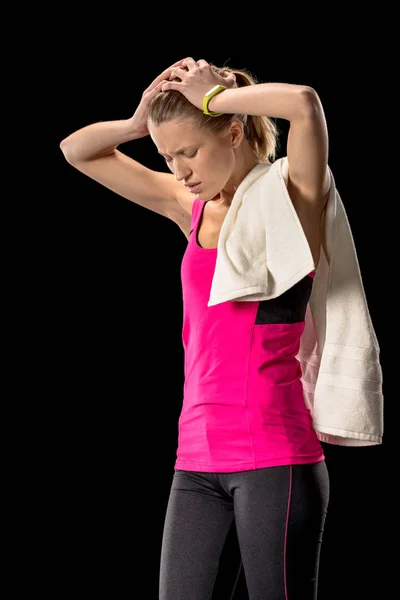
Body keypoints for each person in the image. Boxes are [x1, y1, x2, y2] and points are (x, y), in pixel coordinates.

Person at [60, 57, 334, 600]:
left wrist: (215, 97)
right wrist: (138, 124)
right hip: (197, 458)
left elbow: (303, 103)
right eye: (167, 156)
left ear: (233, 131)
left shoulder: (292, 200)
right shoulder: (188, 206)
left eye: (189, 151)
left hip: (273, 455)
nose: (180, 170)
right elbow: (77, 150)